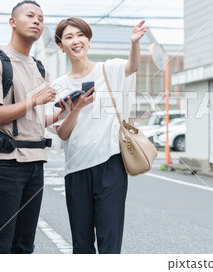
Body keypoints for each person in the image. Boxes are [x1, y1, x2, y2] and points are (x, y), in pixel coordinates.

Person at [51, 17, 147, 254]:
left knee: (109, 241)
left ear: (88, 41)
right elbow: (62, 133)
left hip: (110, 165)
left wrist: (134, 43)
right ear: (61, 46)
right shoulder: (58, 85)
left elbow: (132, 67)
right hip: (76, 169)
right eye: (69, 37)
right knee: (81, 244)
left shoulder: (109, 69)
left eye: (80, 35)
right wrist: (76, 109)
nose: (76, 41)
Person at [0, 0, 64, 254]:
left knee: (24, 246)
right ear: (13, 22)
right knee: (0, 244)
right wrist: (35, 100)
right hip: (6, 163)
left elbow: (34, 120)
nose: (37, 21)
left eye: (41, 17)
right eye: (30, 15)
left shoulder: (38, 67)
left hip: (36, 162)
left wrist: (65, 112)